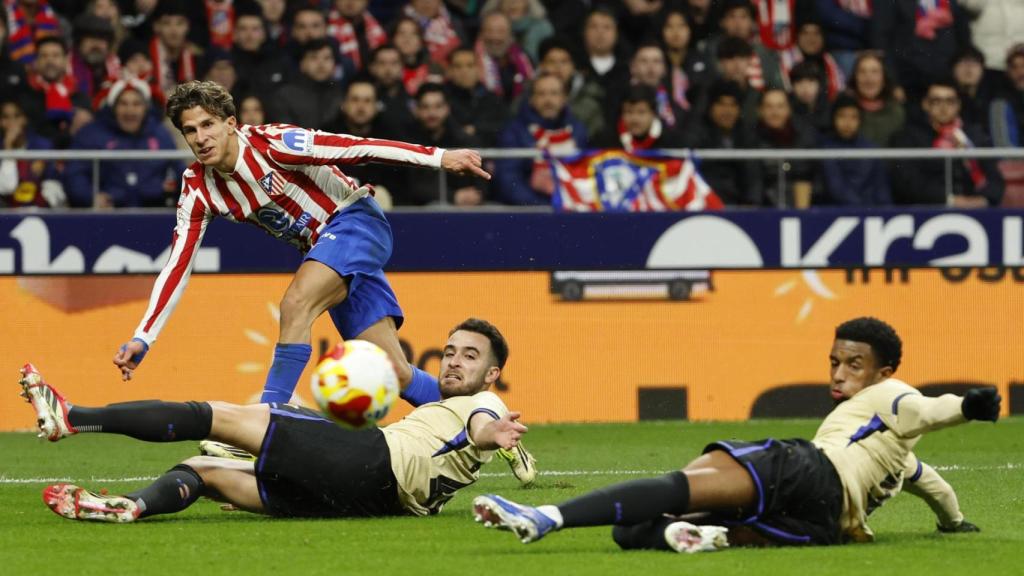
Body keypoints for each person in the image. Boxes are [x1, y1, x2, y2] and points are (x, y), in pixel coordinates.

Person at [110, 80, 489, 422]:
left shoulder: (275, 143)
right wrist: (144, 335)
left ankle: (266, 423)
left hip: (356, 221)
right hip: (327, 252)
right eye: (190, 131)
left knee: (295, 304)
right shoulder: (198, 187)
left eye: (208, 124)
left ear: (231, 123)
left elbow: (357, 148)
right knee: (396, 370)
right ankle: (481, 417)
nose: (200, 137)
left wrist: (439, 157)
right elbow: (178, 265)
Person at [473, 317, 1000, 551]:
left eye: (855, 365)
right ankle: (708, 538)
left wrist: (970, 405)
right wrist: (954, 526)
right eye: (835, 362)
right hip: (823, 527)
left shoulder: (891, 395)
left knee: (679, 484)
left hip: (809, 472)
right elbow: (936, 488)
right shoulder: (895, 457)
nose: (840, 374)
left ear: (883, 372)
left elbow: (929, 408)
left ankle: (546, 518)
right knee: (632, 531)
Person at [23, 318, 535, 523]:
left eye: (468, 356)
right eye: (448, 351)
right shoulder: (442, 410)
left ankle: (72, 416)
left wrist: (495, 431)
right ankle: (133, 507)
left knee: (217, 416)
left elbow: (482, 425)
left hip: (373, 460)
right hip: (371, 503)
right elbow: (477, 439)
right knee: (202, 471)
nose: (452, 361)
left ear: (491, 373)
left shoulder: (479, 405)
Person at [65, 77, 182, 208]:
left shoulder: (160, 134)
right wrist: (90, 197)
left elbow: (179, 171)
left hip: (154, 211)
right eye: (123, 104)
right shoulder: (92, 134)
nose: (130, 110)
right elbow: (75, 173)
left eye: (136, 104)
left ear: (145, 108)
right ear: (113, 107)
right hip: (108, 214)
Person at [889, 79, 1004, 207]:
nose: (944, 108)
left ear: (958, 105)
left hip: (976, 207)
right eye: (936, 101)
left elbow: (995, 178)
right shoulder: (908, 137)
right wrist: (949, 200)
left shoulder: (975, 135)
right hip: (927, 210)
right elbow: (907, 182)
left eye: (950, 101)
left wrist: (984, 199)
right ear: (925, 104)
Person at [494, 72, 586, 205]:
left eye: (554, 93)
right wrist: (544, 207)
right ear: (532, 99)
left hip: (571, 209)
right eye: (541, 94)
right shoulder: (515, 132)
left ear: (564, 98)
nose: (548, 100)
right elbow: (508, 179)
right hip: (532, 212)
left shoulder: (578, 130)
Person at [817, 94, 890, 206]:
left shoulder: (871, 149)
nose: (847, 123)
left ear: (860, 120)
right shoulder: (825, 149)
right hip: (837, 214)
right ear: (833, 118)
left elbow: (882, 191)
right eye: (842, 116)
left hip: (872, 215)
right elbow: (836, 188)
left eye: (853, 117)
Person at [0, 98, 66, 208]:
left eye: (17, 116)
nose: (12, 122)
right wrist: (8, 147)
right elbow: (6, 187)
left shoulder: (42, 146)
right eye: (6, 117)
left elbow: (54, 181)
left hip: (39, 208)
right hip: (7, 208)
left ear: (24, 119)